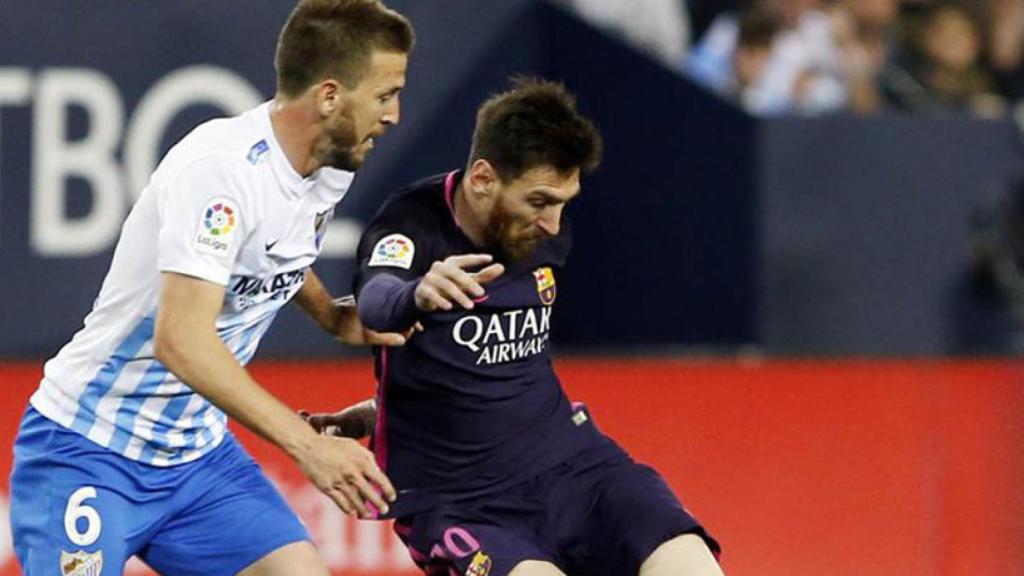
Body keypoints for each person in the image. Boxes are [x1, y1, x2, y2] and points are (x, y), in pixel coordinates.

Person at [9, 1, 414, 574]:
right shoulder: (221, 172)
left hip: (196, 460)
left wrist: (330, 315)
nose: (395, 114)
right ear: (329, 97)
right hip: (88, 449)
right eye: (385, 94)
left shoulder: (329, 166)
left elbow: (275, 247)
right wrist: (308, 447)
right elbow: (181, 341)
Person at [305, 78, 723, 576]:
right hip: (464, 502)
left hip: (576, 467)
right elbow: (376, 303)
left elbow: (483, 365)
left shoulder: (542, 230)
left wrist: (382, 411)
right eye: (541, 201)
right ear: (483, 178)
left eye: (565, 201)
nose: (554, 222)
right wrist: (416, 293)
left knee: (690, 565)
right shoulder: (411, 222)